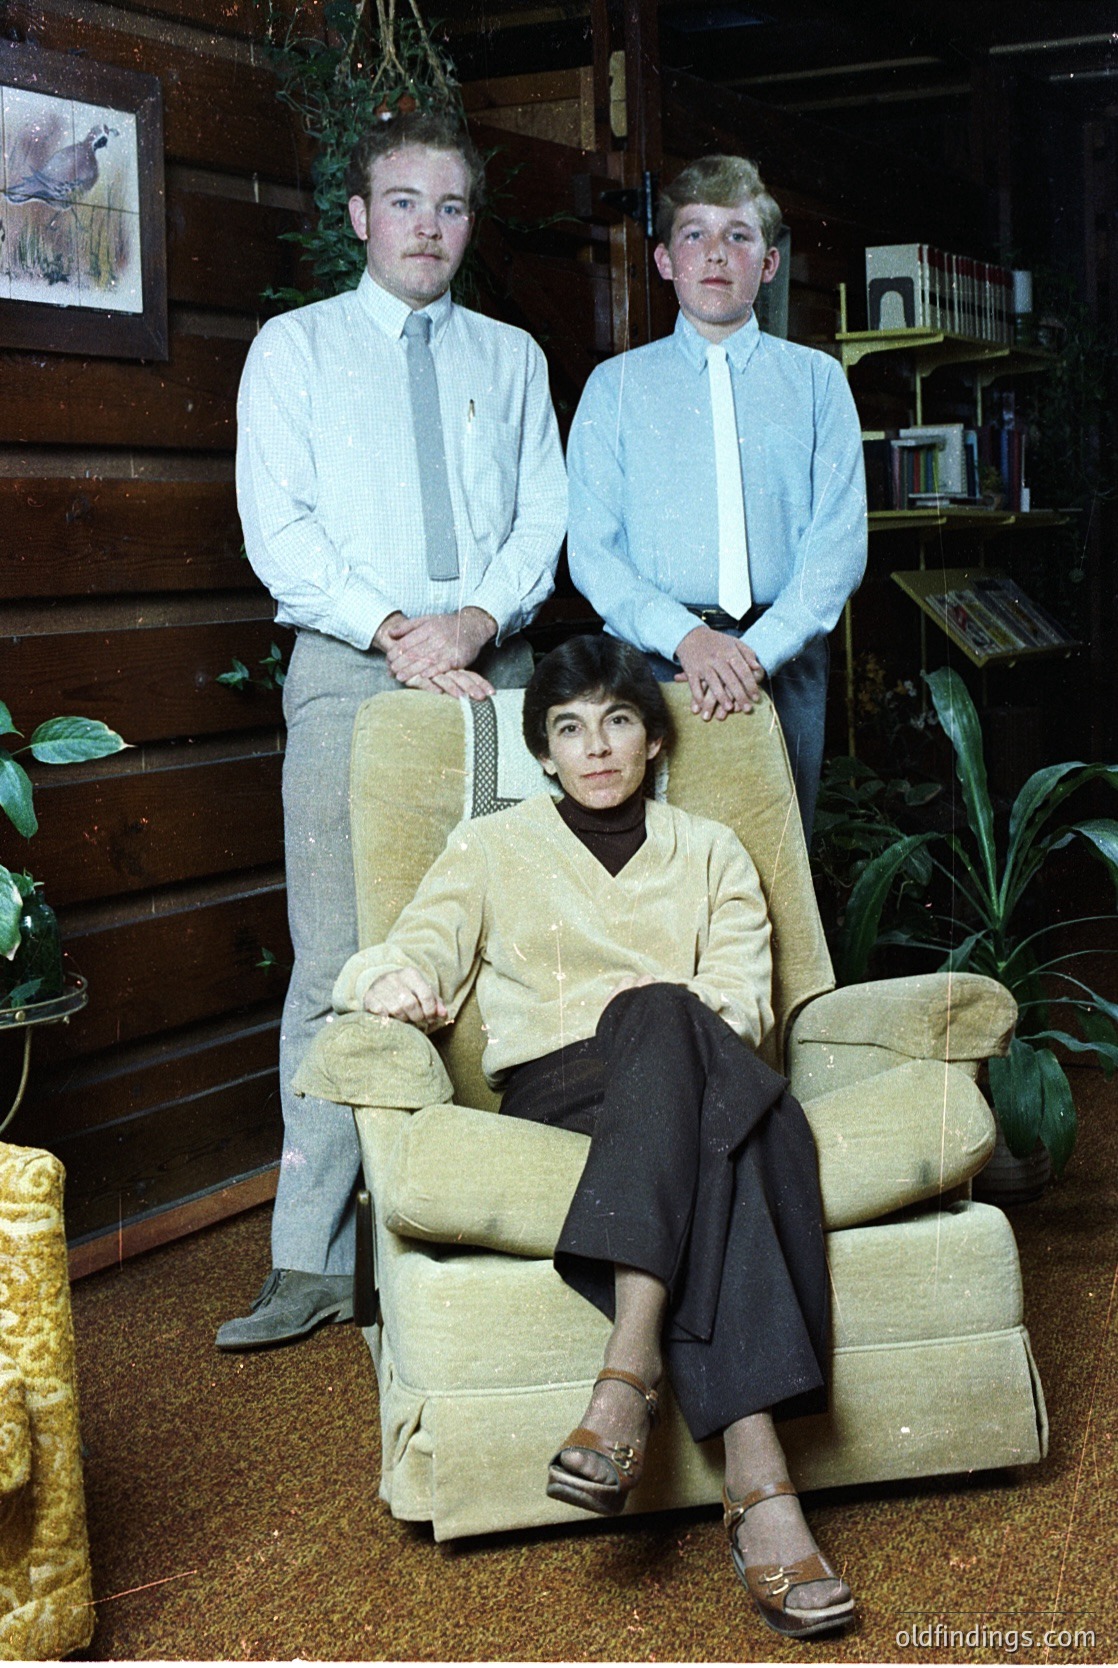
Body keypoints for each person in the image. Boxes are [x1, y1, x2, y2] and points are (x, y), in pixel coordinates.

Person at [332, 635, 854, 1640]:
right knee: (739, 1134)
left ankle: (632, 1378)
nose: (596, 748)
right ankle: (761, 1492)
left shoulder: (708, 849)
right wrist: (385, 984)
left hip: (701, 1068)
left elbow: (742, 1003)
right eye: (569, 729)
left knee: (676, 1032)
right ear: (542, 754)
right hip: (567, 1089)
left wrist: (659, 1016)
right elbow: (404, 951)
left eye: (618, 721)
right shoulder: (490, 848)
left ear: (653, 740)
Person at [221, 109, 567, 1350]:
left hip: (493, 669)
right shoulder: (294, 349)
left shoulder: (512, 356)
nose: (428, 228)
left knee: (508, 936)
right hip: (347, 673)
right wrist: (392, 631)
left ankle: (502, 1211)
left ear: (470, 224)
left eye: (451, 206)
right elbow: (281, 526)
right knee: (337, 957)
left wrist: (472, 622)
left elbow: (541, 519)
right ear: (361, 218)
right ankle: (310, 1259)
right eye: (404, 204)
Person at [566, 154, 866, 842]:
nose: (715, 254)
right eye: (695, 234)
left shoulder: (818, 384)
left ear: (768, 263)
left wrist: (755, 654)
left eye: (738, 235)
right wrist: (691, 641)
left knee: (776, 867)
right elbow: (593, 550)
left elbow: (838, 547)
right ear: (666, 261)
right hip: (656, 661)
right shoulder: (615, 390)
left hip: (782, 662)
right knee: (660, 868)